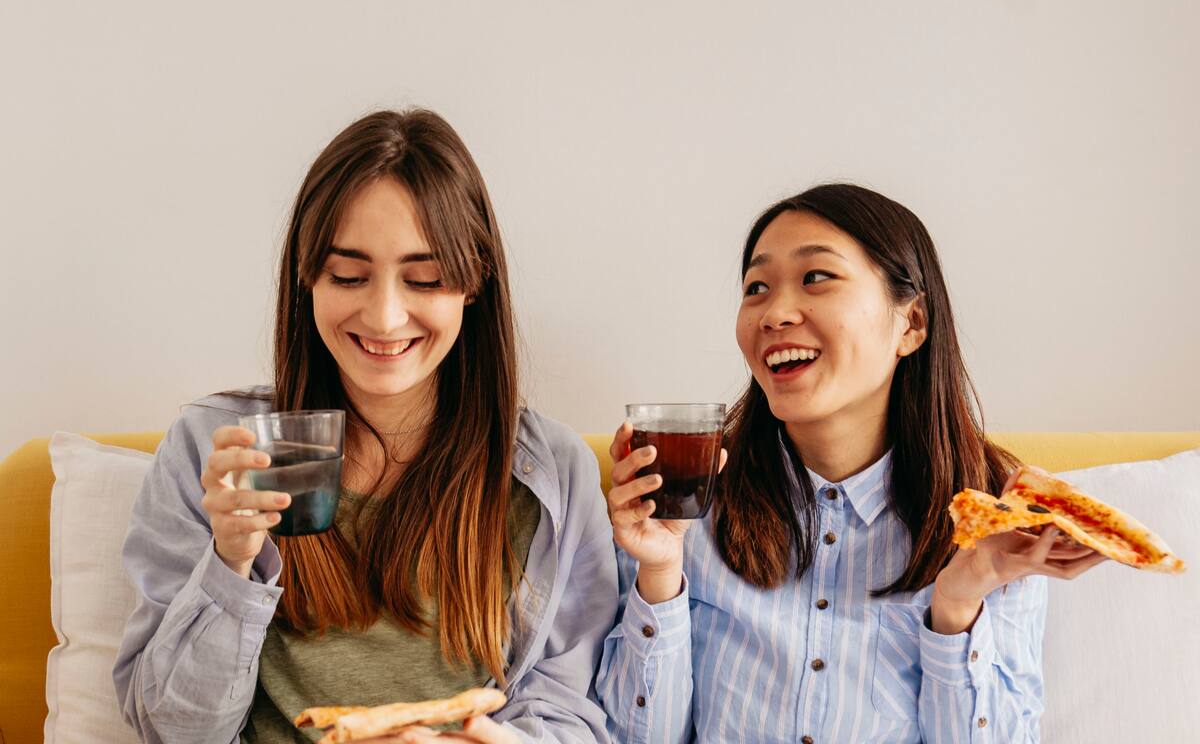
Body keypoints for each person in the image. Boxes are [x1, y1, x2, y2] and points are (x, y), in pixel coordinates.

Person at [113, 109, 617, 744]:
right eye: (348, 276)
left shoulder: (552, 474)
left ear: (473, 284)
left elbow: (574, 713)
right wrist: (230, 562)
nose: (383, 317)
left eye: (424, 279)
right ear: (308, 280)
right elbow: (171, 730)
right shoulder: (213, 450)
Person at [596, 184, 1106, 743]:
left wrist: (959, 602)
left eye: (817, 277)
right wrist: (661, 572)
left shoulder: (994, 514)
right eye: (756, 288)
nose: (775, 313)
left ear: (910, 324)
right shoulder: (688, 496)